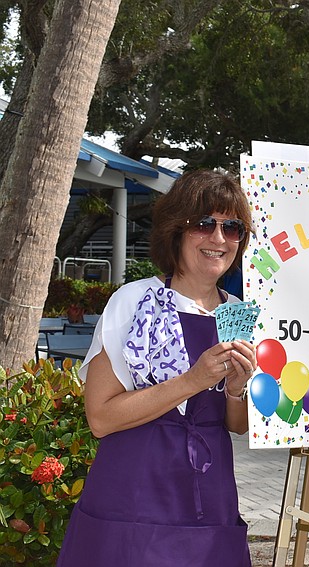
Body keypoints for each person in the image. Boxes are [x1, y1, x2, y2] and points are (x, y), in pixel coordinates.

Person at [57, 170, 257, 567]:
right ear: (176, 230)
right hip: (132, 491)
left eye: (232, 227)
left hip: (209, 495)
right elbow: (100, 417)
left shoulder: (240, 314)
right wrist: (192, 381)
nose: (219, 239)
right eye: (205, 224)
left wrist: (236, 390)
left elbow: (236, 425)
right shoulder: (133, 302)